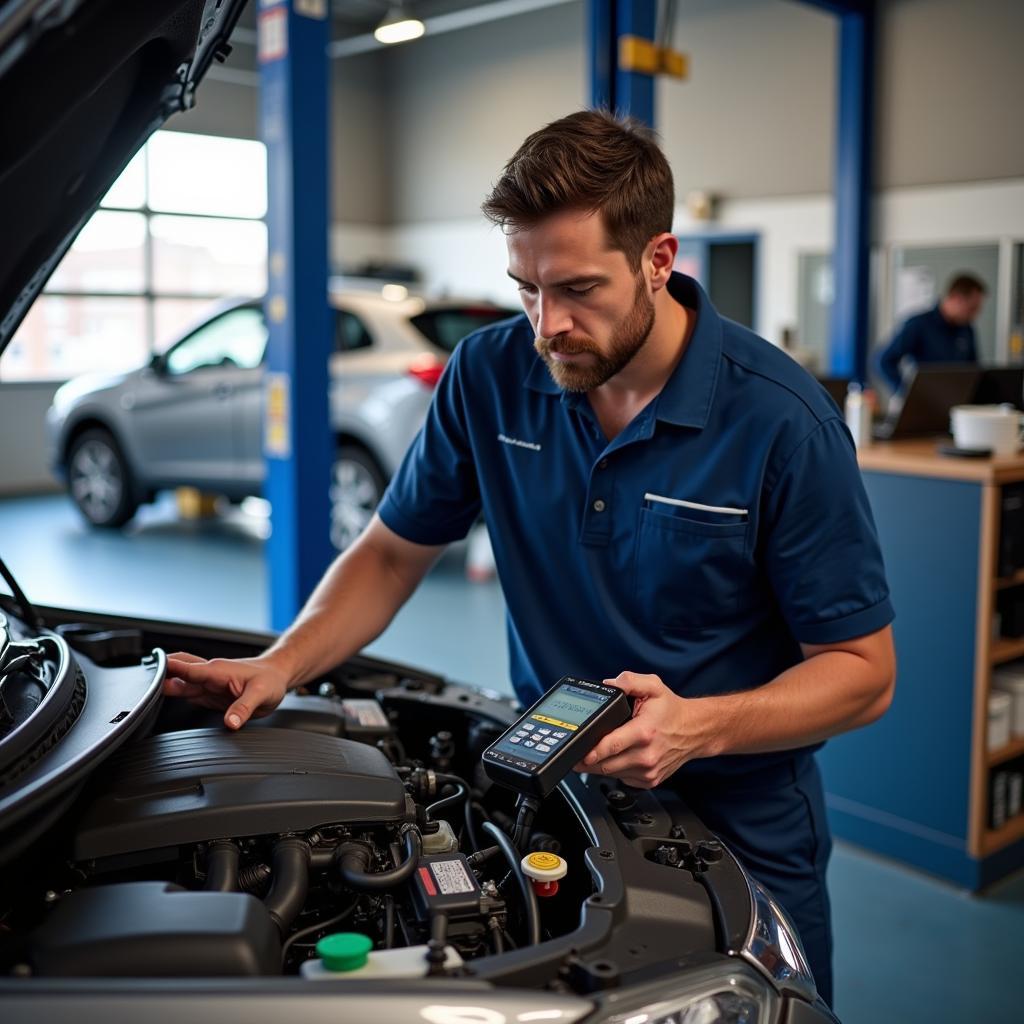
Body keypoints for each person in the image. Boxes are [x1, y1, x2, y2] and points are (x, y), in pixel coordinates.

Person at [163, 110, 896, 1007]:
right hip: (553, 788)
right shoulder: (488, 374)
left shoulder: (783, 422)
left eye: (580, 289)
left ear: (659, 260)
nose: (549, 326)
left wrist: (695, 727)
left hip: (740, 819)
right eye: (525, 289)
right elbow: (394, 552)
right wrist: (282, 664)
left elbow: (863, 673)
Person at [876, 273, 987, 393]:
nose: (975, 315)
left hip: (956, 400)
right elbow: (884, 361)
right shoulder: (919, 324)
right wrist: (906, 392)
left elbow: (973, 369)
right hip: (925, 401)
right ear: (956, 299)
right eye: (972, 308)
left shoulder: (966, 329)